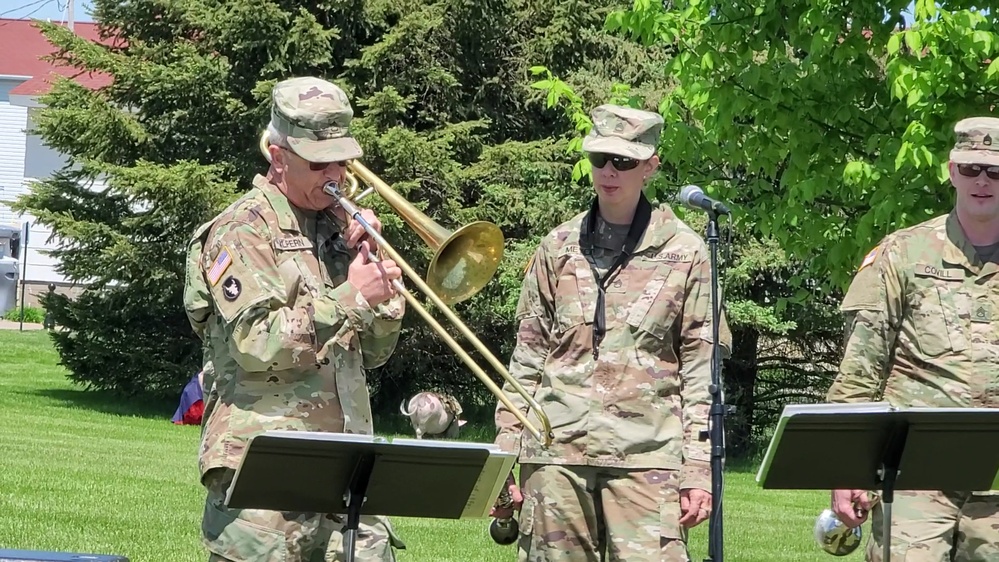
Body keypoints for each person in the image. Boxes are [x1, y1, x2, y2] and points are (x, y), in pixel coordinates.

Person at [490, 104, 733, 561]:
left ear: (650, 166)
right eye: (601, 158)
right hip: (555, 455)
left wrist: (699, 469)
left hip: (647, 459)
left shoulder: (687, 253)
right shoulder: (557, 247)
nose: (609, 171)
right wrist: (505, 452)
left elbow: (703, 372)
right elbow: (527, 359)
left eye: (623, 161)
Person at [182, 76, 407, 562]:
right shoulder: (242, 228)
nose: (337, 175)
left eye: (343, 160)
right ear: (278, 156)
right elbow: (258, 343)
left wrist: (380, 288)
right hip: (266, 480)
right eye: (319, 162)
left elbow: (375, 352)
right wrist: (350, 296)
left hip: (347, 473)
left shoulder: (337, 229)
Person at [826, 116, 999, 562]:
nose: (982, 181)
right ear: (951, 171)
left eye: (995, 171)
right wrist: (847, 468)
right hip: (915, 472)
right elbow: (861, 367)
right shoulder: (903, 253)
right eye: (970, 169)